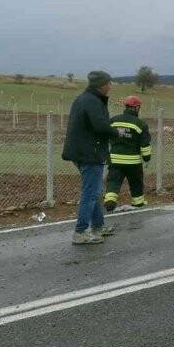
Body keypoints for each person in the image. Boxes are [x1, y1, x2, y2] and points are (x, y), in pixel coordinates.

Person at [62, 71, 121, 244]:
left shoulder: (85, 99)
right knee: (91, 193)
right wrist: (116, 131)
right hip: (90, 153)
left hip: (81, 151)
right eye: (109, 83)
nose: (110, 86)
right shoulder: (92, 101)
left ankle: (98, 226)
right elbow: (100, 125)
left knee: (94, 191)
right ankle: (80, 232)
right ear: (101, 85)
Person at [104, 95, 152, 212]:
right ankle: (138, 203)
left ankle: (110, 201)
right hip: (133, 161)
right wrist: (147, 158)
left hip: (115, 160)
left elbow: (106, 136)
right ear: (136, 108)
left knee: (113, 181)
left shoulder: (113, 120)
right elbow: (145, 145)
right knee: (136, 183)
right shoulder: (140, 124)